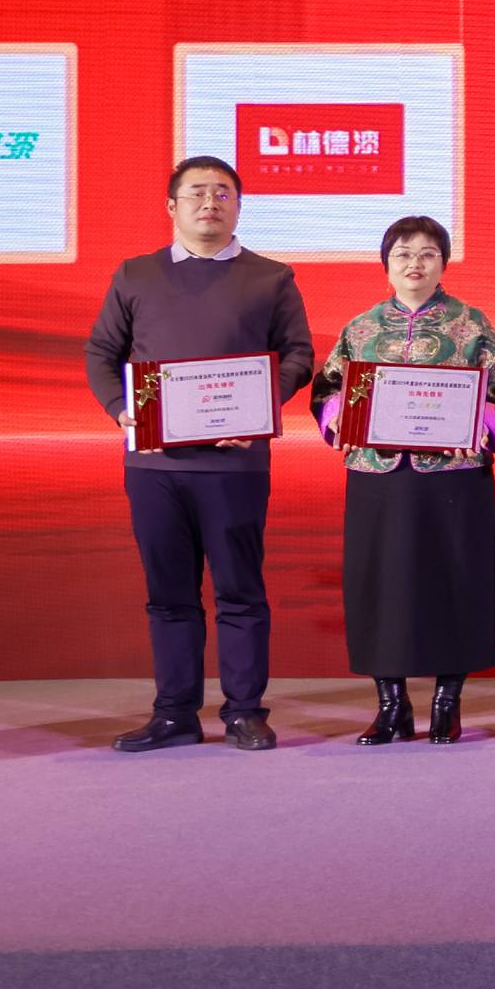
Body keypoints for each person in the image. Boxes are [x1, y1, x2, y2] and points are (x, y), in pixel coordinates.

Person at [85, 156, 314, 752]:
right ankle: (174, 715)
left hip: (234, 464)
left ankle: (244, 713)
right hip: (154, 465)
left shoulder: (271, 277)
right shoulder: (136, 274)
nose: (210, 203)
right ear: (172, 206)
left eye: (222, 193)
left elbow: (298, 355)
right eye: (196, 193)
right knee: (169, 596)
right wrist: (121, 408)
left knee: (240, 590)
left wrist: (260, 409)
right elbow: (102, 353)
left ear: (239, 205)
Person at [310, 216, 495, 746]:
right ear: (386, 264)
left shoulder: (471, 324)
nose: (414, 264)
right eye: (402, 254)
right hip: (380, 477)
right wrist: (341, 420)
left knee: (455, 580)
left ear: (443, 263)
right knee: (381, 584)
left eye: (427, 254)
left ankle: (448, 701)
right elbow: (327, 389)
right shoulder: (360, 328)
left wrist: (479, 424)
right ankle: (391, 705)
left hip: (453, 477)